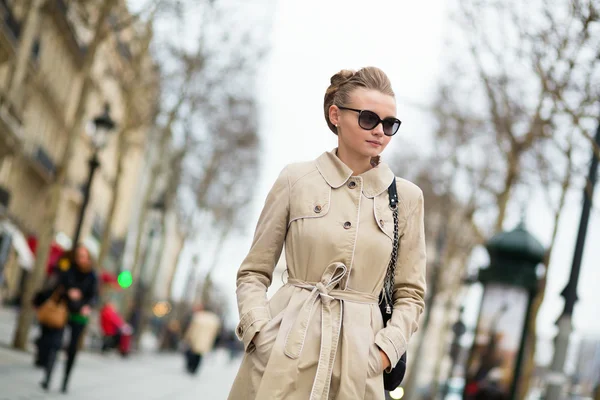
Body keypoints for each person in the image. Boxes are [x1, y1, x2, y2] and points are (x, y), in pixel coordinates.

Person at [228, 67, 427, 399]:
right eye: (368, 119)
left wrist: (382, 354)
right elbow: (253, 272)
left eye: (389, 124)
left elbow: (411, 295)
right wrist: (260, 334)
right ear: (336, 115)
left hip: (358, 367)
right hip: (283, 353)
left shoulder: (406, 198)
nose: (380, 131)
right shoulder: (295, 180)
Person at [37, 244, 98, 393]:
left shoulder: (93, 276)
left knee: (72, 349)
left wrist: (87, 306)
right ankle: (48, 377)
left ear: (89, 258)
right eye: (78, 256)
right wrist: (69, 292)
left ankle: (65, 381)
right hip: (63, 311)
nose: (80, 259)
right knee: (55, 344)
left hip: (79, 315)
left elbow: (94, 297)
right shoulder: (68, 269)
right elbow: (58, 285)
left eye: (84, 256)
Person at [182, 304, 221, 375]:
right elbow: (216, 332)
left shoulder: (198, 316)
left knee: (191, 352)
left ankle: (190, 366)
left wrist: (187, 337)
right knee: (199, 355)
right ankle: (194, 369)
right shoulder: (214, 319)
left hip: (195, 337)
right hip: (206, 339)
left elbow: (191, 328)